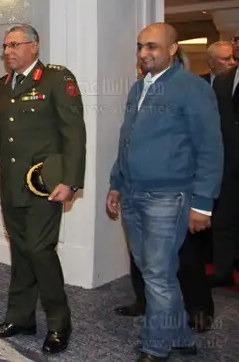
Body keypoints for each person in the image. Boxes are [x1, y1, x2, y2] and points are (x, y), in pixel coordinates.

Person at [107, 22, 222, 361]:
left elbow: (210, 148)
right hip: (133, 194)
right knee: (154, 272)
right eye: (140, 46)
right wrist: (116, 182)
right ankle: (181, 337)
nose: (144, 53)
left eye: (152, 46)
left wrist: (203, 203)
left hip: (168, 197)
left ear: (173, 49)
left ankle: (155, 347)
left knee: (157, 274)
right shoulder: (138, 87)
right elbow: (127, 140)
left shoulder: (192, 88)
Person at [0, 24, 85, 355]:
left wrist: (70, 181)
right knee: (21, 251)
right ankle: (20, 318)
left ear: (34, 46)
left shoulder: (56, 79)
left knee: (40, 250)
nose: (8, 51)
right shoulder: (1, 86)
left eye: (15, 44)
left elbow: (74, 133)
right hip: (12, 184)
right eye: (5, 46)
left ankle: (59, 322)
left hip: (43, 185)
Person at [210, 49, 239, 288]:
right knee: (223, 218)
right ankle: (223, 271)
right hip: (226, 161)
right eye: (236, 39)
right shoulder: (222, 81)